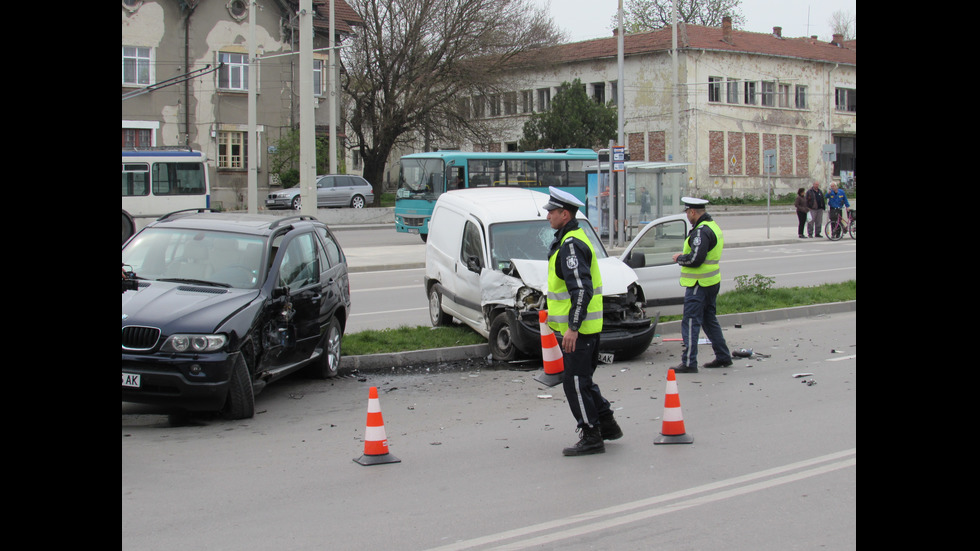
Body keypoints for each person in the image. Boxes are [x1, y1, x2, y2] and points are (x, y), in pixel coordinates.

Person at [543, 186, 622, 456]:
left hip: (580, 330)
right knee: (583, 380)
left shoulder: (572, 245)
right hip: (585, 328)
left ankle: (591, 435)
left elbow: (581, 290)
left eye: (551, 212)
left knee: (574, 383)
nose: (548, 217)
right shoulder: (572, 239)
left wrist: (573, 328)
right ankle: (608, 424)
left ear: (564, 214)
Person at [671, 197, 732, 374]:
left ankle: (689, 362)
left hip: (699, 283)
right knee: (709, 320)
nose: (688, 217)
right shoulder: (713, 226)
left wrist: (679, 258)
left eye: (688, 213)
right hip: (711, 281)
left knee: (690, 322)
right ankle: (723, 356)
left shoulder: (701, 232)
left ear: (692, 212)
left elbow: (696, 259)